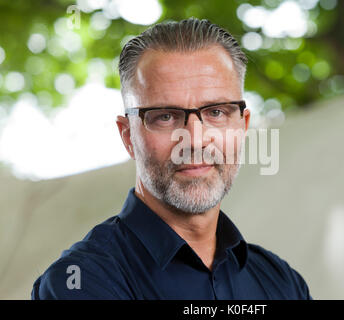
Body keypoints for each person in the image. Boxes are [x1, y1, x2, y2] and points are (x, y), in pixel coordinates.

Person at [31, 18, 312, 300]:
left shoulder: (282, 282)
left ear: (242, 125)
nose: (195, 140)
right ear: (128, 136)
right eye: (165, 117)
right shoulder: (81, 281)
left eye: (216, 112)